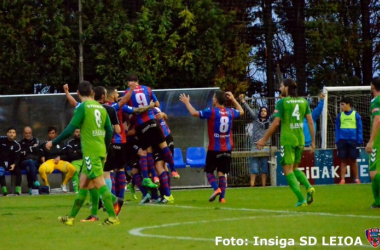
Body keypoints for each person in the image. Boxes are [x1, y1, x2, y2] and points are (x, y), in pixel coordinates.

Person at [47, 81, 123, 226]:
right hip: (100, 150)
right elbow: (109, 130)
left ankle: (113, 215)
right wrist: (106, 149)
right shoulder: (101, 108)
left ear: (78, 93)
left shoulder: (83, 107)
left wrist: (53, 142)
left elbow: (70, 129)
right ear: (93, 93)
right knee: (83, 184)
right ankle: (70, 218)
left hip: (91, 153)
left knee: (100, 184)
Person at [256, 79, 316, 207]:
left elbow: (276, 122)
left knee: (287, 170)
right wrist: (313, 141)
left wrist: (263, 139)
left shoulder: (282, 102)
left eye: (282, 86)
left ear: (287, 88)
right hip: (300, 139)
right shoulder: (303, 102)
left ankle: (301, 199)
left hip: (288, 140)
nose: (280, 88)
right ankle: (308, 186)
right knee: (294, 168)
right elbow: (310, 122)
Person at [179, 90, 244, 203]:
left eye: (214, 97)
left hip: (214, 148)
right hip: (227, 149)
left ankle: (216, 188)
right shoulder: (230, 112)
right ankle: (222, 198)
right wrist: (233, 99)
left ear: (215, 100)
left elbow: (194, 113)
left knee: (209, 172)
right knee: (221, 173)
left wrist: (187, 102)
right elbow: (241, 111)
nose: (212, 99)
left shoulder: (211, 112)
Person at [126, 74, 177, 188]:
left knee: (149, 154)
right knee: (163, 162)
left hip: (141, 125)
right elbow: (158, 105)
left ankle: (153, 178)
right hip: (160, 129)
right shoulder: (148, 90)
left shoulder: (128, 93)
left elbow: (128, 109)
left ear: (129, 83)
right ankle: (174, 171)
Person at [239, 94, 271, 187]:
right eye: (262, 110)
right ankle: (252, 185)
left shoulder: (270, 120)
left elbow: (277, 113)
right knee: (254, 167)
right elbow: (249, 110)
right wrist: (243, 101)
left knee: (264, 168)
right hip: (254, 146)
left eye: (265, 111)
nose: (263, 112)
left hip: (265, 147)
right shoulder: (256, 119)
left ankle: (264, 186)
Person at [39, 126, 76, 192]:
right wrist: (42, 158)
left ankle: (64, 184)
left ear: (56, 134)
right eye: (50, 133)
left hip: (60, 162)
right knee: (41, 169)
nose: (51, 135)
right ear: (48, 134)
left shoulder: (61, 144)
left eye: (53, 133)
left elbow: (67, 155)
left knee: (72, 169)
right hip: (50, 162)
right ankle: (47, 185)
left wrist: (60, 157)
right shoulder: (44, 144)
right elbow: (41, 154)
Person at [335, 97, 363, 184]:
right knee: (343, 160)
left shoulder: (356, 115)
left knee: (353, 160)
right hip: (342, 140)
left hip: (353, 140)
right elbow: (337, 129)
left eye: (343, 104)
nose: (341, 106)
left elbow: (359, 128)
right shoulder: (340, 115)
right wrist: (337, 140)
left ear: (348, 104)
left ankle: (357, 179)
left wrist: (359, 139)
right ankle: (342, 179)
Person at [365, 76, 380, 208]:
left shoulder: (376, 101)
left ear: (373, 86)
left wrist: (371, 141)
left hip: (378, 141)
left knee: (374, 173)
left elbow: (377, 120)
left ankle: (377, 202)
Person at [19, 126, 41, 194]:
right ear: (23, 133)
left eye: (29, 133)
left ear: (31, 133)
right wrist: (31, 149)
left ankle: (31, 187)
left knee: (29, 168)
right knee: (29, 162)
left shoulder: (36, 140)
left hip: (35, 161)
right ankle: (36, 180)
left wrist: (27, 151)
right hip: (24, 161)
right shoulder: (20, 143)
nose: (28, 135)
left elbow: (37, 150)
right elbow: (21, 154)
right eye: (26, 133)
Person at [0, 127, 21, 196]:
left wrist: (14, 164)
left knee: (18, 171)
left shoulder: (17, 145)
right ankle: (5, 192)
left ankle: (17, 192)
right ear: (7, 133)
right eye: (10, 132)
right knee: (1, 172)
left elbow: (17, 158)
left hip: (11, 164)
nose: (11, 134)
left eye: (13, 132)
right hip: (1, 162)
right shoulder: (1, 140)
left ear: (15, 134)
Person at [66, 128, 82, 193]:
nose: (78, 133)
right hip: (75, 161)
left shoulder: (85, 141)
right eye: (76, 132)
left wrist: (76, 151)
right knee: (75, 171)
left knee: (89, 173)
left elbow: (86, 152)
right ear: (73, 133)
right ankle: (76, 191)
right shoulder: (70, 143)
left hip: (85, 160)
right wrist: (80, 152)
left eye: (79, 132)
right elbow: (71, 155)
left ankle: (86, 190)